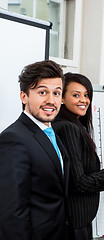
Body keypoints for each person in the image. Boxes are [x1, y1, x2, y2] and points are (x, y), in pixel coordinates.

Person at [0, 60, 69, 240]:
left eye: (56, 93)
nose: (51, 100)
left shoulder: (50, 132)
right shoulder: (13, 139)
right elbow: (12, 213)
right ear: (24, 96)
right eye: (42, 92)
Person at [52, 73, 104, 240]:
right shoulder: (68, 128)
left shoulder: (73, 125)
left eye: (86, 95)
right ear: (62, 98)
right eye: (76, 95)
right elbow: (78, 183)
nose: (83, 100)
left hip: (76, 219)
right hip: (75, 221)